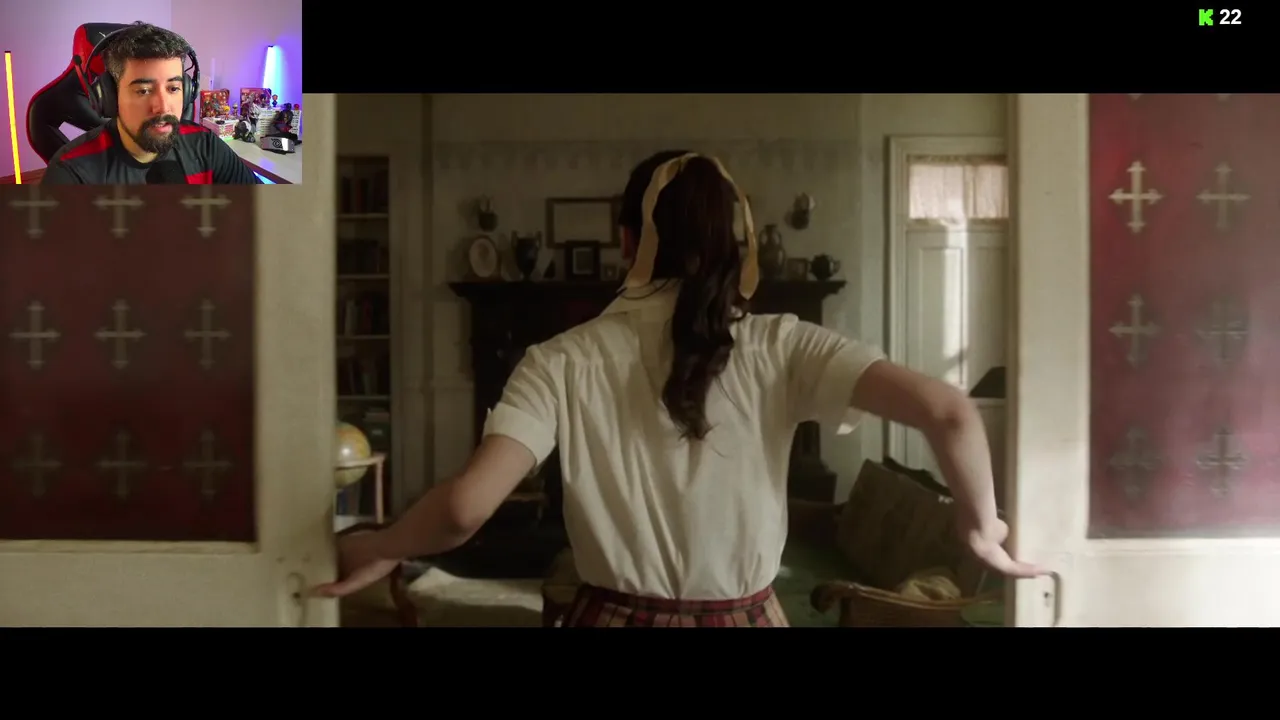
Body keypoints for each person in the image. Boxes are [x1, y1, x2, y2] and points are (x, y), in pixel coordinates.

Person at [314, 150, 1046, 626]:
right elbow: (950, 411)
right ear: (734, 243)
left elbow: (465, 508)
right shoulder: (786, 344)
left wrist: (383, 543)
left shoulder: (559, 359)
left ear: (626, 241)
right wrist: (980, 525)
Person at [41, 22, 262, 185]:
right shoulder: (71, 174)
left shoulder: (205, 146)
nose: (163, 107)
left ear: (187, 91)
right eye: (144, 91)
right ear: (110, 97)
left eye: (173, 88)